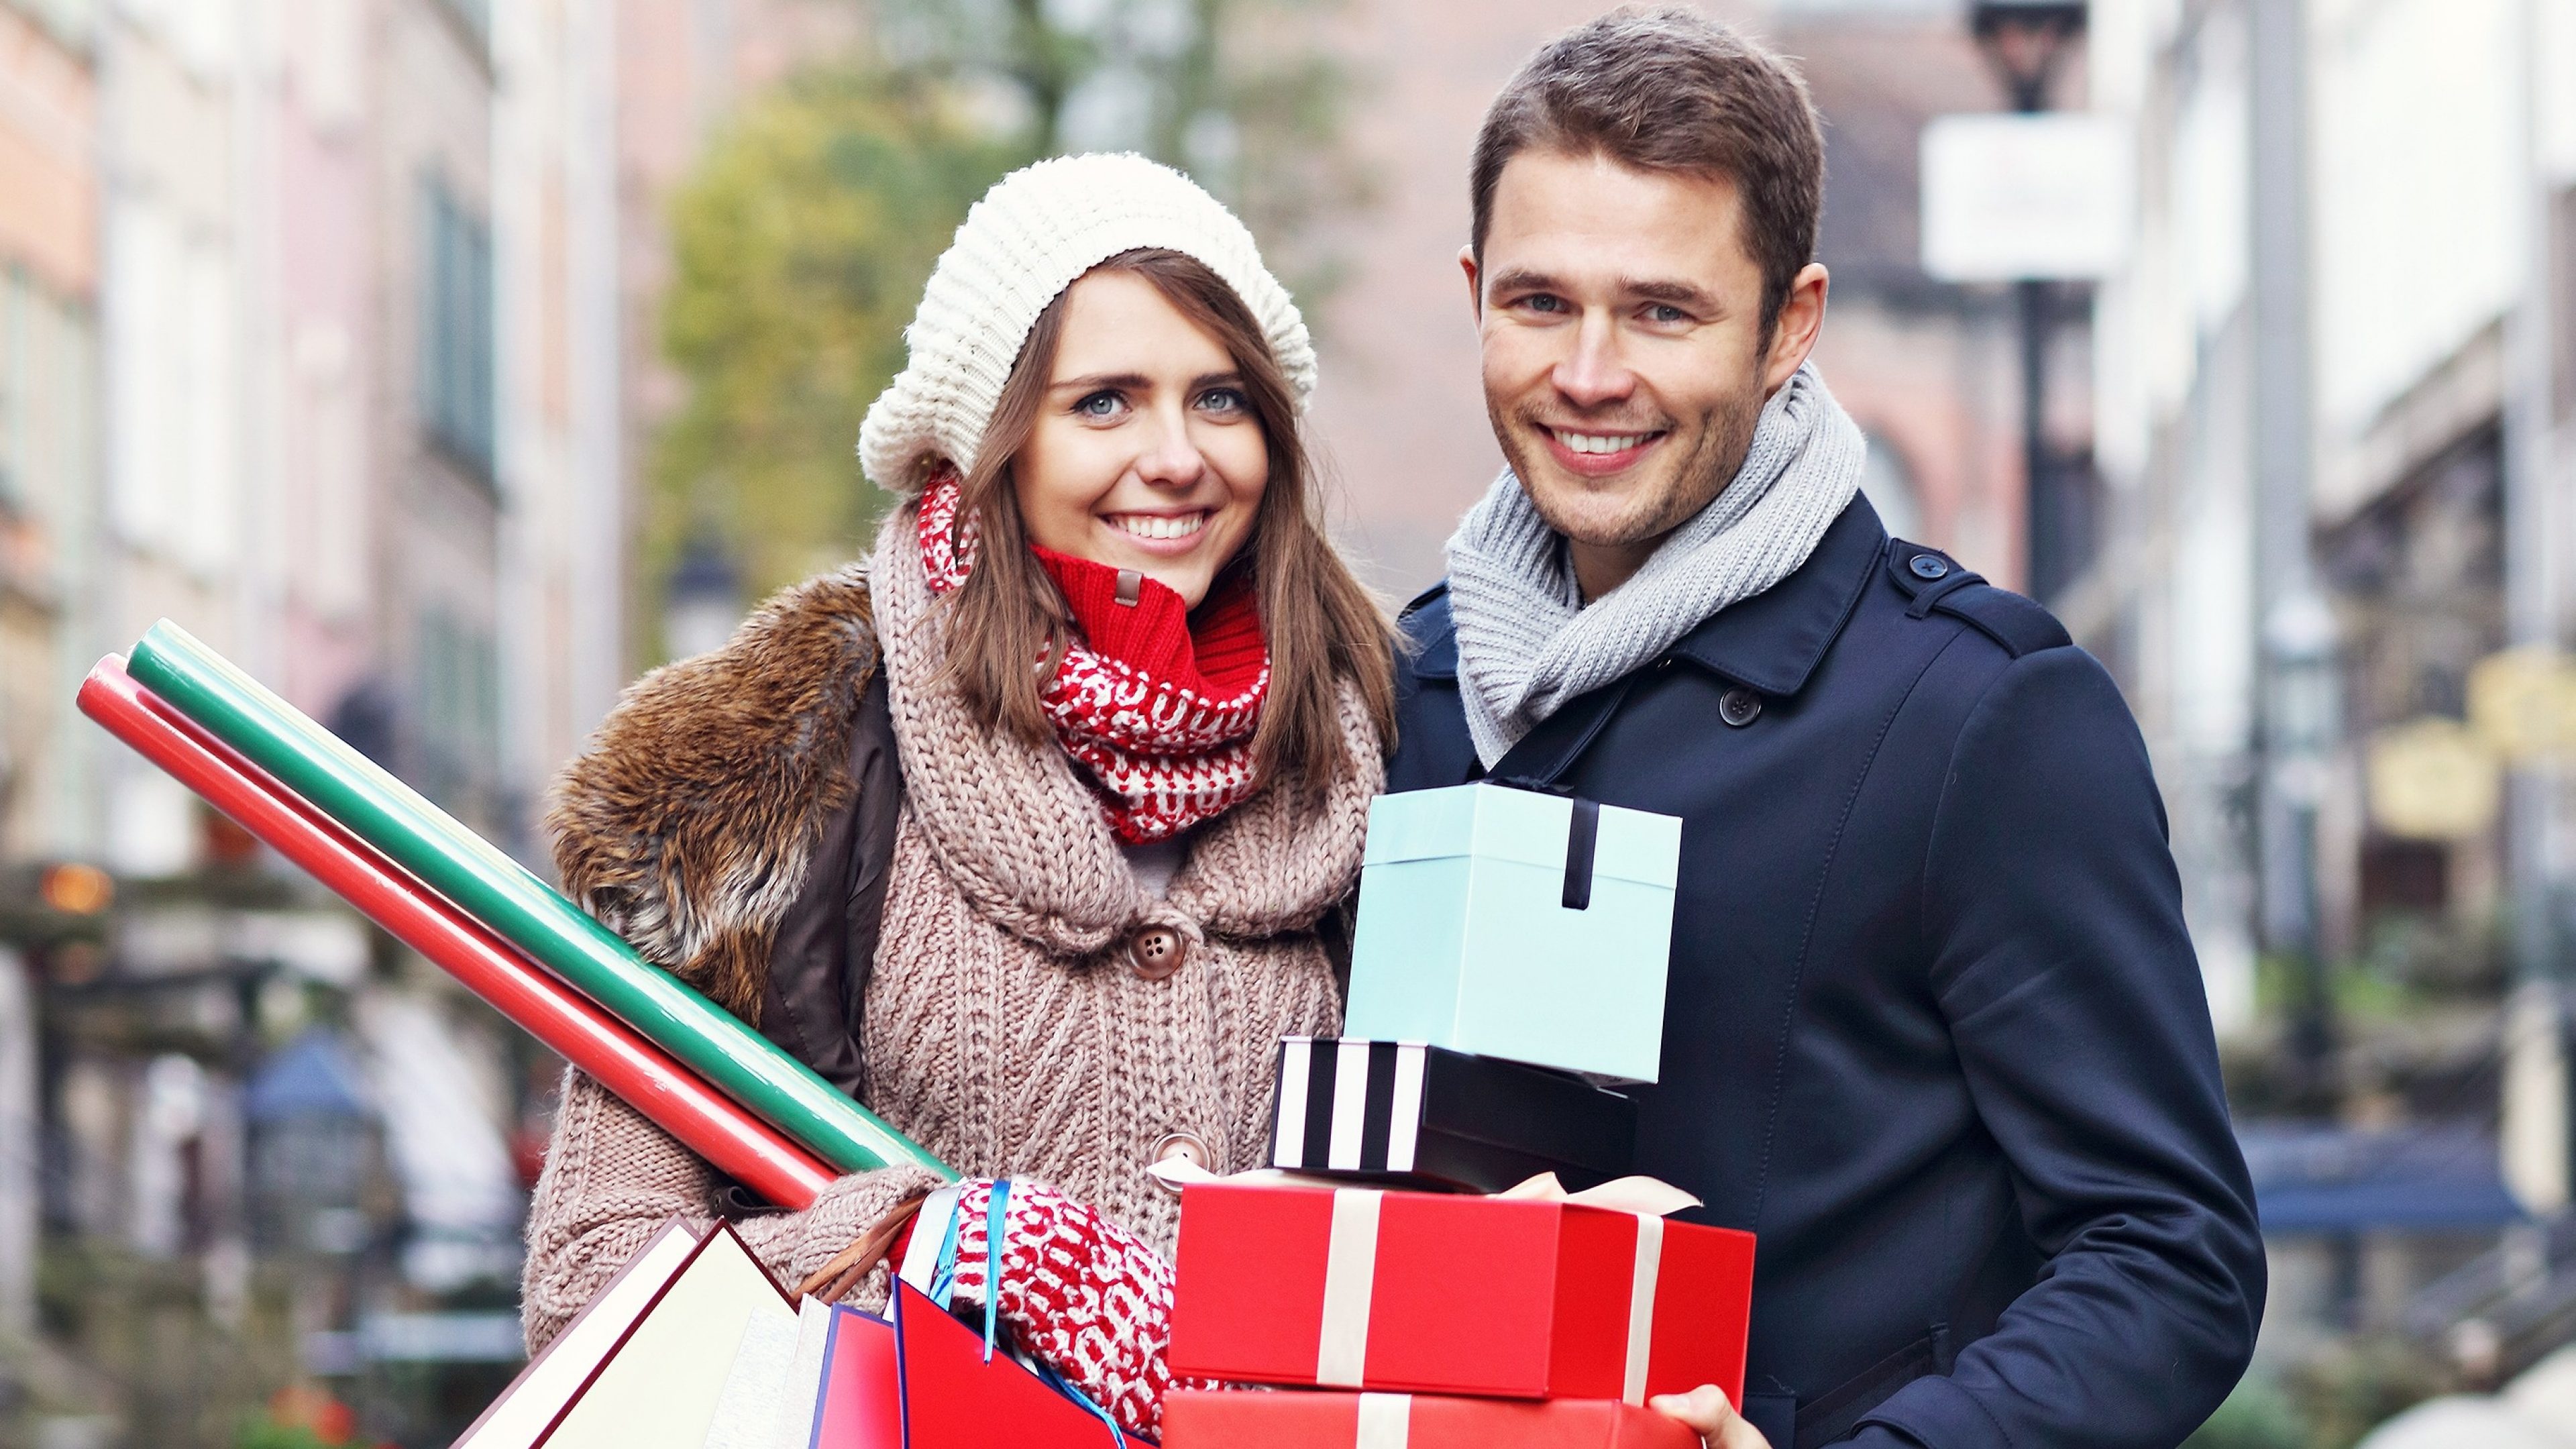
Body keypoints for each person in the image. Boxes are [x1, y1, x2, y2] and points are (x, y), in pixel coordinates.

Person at [1387, 11, 2267, 1449]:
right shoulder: (1406, 684)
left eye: (1663, 311)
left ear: (1789, 324)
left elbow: (2171, 1255)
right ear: (1476, 292)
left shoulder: (1981, 714)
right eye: (1541, 303)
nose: (1591, 374)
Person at [517, 156, 1395, 1411]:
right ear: (993, 439)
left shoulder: (1384, 750)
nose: (1177, 456)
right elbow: (590, 1298)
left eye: (1220, 398)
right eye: (1102, 402)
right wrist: (937, 1256)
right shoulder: (786, 769)